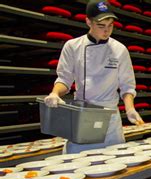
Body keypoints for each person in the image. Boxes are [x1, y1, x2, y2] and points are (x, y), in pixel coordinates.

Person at [44, 0, 144, 154]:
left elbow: (127, 85)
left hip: (110, 119)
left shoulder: (120, 49)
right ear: (88, 22)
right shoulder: (73, 46)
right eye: (101, 26)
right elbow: (64, 79)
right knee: (76, 163)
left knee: (116, 164)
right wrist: (55, 93)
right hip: (83, 118)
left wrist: (130, 108)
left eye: (110, 25)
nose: (107, 31)